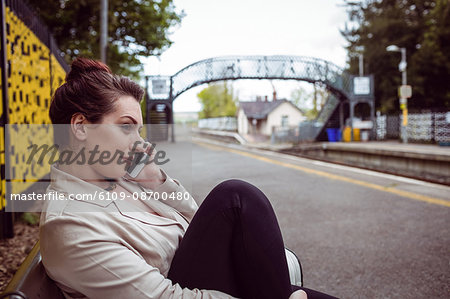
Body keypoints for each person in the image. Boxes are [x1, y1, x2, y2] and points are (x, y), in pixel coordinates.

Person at [39, 57, 337, 299]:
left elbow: (200, 223)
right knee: (235, 196)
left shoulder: (122, 178)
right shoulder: (71, 225)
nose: (140, 143)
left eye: (139, 130)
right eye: (126, 127)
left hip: (214, 283)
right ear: (79, 127)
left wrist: (155, 179)